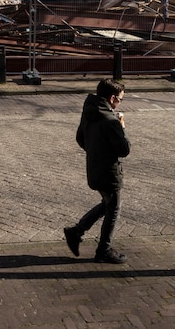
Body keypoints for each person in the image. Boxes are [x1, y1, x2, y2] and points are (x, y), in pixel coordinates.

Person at [64, 79, 132, 264]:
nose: (120, 103)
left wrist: (95, 150)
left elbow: (80, 138)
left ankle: (76, 232)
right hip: (109, 172)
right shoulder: (111, 121)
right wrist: (122, 128)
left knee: (108, 203)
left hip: (94, 167)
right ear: (112, 98)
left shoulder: (90, 111)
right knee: (113, 209)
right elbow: (124, 150)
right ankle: (103, 249)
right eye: (120, 99)